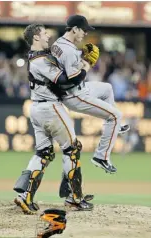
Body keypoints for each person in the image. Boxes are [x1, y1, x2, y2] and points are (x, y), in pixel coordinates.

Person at [13, 23, 94, 215]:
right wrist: (86, 67)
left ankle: (25, 196)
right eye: (44, 33)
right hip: (51, 108)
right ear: (35, 38)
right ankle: (75, 199)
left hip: (37, 108)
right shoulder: (41, 60)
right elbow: (65, 81)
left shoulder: (37, 57)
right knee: (72, 149)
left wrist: (79, 56)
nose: (48, 35)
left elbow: (58, 56)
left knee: (44, 152)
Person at [51, 15, 130, 174]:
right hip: (74, 95)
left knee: (107, 88)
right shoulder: (69, 51)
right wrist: (87, 65)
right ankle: (101, 157)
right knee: (115, 115)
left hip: (76, 89)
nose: (85, 33)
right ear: (74, 29)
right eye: (84, 30)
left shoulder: (58, 43)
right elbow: (72, 79)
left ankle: (115, 127)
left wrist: (81, 56)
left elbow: (67, 65)